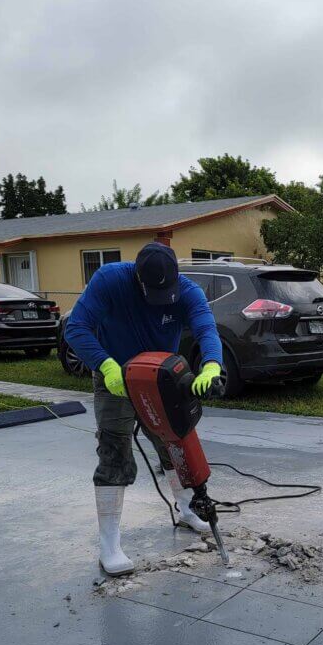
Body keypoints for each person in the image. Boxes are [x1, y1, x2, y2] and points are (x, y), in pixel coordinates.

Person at [65, 241, 223, 576]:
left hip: (160, 379)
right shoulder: (109, 280)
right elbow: (75, 328)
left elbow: (207, 328)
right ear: (137, 279)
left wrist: (211, 365)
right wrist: (106, 366)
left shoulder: (188, 292)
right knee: (114, 451)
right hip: (115, 376)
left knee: (174, 443)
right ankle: (110, 542)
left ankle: (186, 509)